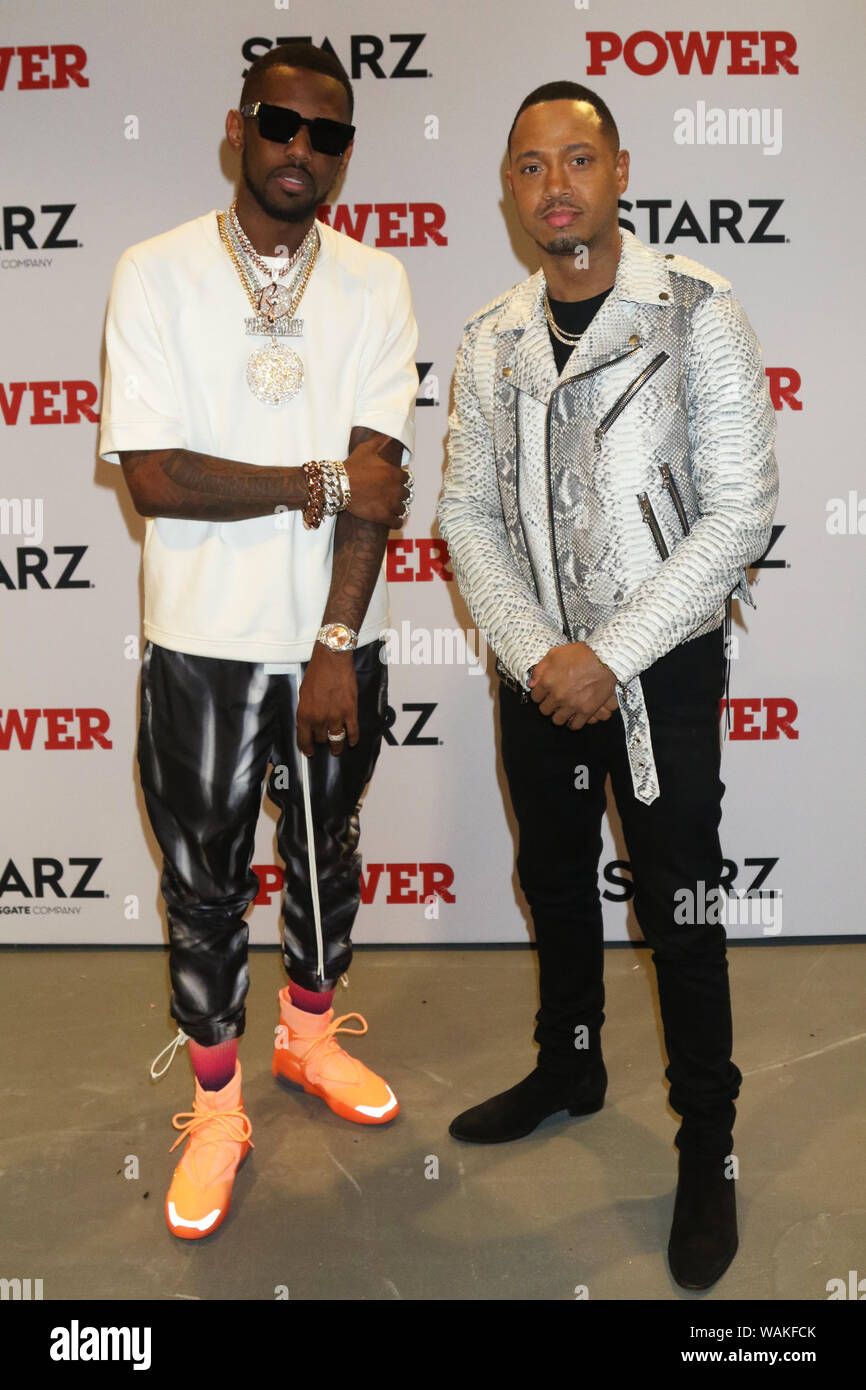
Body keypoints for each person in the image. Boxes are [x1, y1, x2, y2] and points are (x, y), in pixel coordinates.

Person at [438, 81, 778, 1290]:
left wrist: (608, 656)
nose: (553, 186)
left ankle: (706, 1144)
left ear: (620, 170)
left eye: (576, 159)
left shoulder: (695, 309)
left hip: (658, 666)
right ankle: (570, 1061)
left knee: (678, 909)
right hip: (535, 667)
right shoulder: (489, 337)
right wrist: (538, 652)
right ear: (509, 188)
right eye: (529, 166)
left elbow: (740, 508)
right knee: (552, 878)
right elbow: (466, 512)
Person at [98, 42, 418, 1240]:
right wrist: (314, 476)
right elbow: (157, 477)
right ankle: (218, 1103)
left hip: (337, 639)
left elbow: (378, 485)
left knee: (327, 852)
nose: (300, 150)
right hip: (201, 641)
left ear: (344, 153)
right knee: (205, 884)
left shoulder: (376, 283)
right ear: (238, 132)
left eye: (326, 134)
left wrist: (335, 635)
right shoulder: (157, 271)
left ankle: (308, 1038)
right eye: (280, 124)